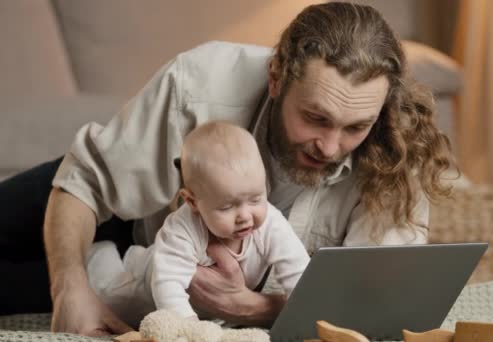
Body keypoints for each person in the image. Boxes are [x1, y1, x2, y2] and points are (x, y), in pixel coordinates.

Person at [0, 2, 453, 336]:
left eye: (355, 126)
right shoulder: (201, 82)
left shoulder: (394, 149)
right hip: (130, 204)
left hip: (140, 269)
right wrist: (69, 288)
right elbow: (83, 183)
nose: (331, 147)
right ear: (276, 77)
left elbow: (371, 308)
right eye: (315, 118)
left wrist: (256, 309)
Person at [85, 121, 309, 328]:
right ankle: (97, 253)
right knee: (106, 291)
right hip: (143, 285)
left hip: (187, 287)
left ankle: (123, 255)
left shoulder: (271, 222)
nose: (245, 216)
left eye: (256, 198)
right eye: (227, 207)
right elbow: (168, 285)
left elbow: (298, 269)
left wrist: (308, 315)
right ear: (192, 201)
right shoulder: (182, 229)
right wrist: (188, 327)